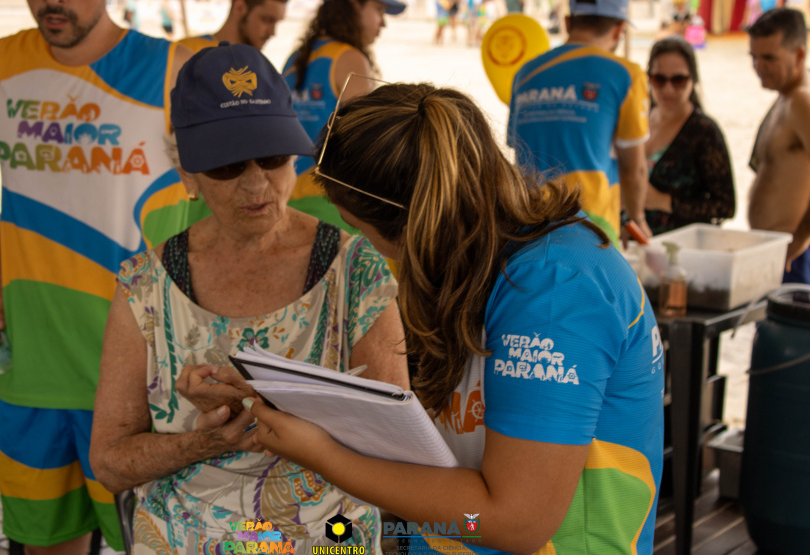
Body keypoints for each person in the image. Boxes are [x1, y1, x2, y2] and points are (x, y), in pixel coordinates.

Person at [242, 82, 664, 555]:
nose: (367, 246)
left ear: (414, 225)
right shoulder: (472, 257)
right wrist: (287, 396)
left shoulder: (554, 289)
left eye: (358, 228)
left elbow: (516, 522)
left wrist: (325, 456)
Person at [90, 43, 409, 554]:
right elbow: (109, 463)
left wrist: (268, 408)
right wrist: (203, 441)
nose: (257, 183)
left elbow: (395, 445)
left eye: (275, 157)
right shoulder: (145, 286)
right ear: (187, 175)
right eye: (227, 166)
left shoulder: (355, 272)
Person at [0, 0, 197, 551]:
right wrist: (2, 276)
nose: (50, 3)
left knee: (150, 543)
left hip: (137, 378)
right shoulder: (0, 62)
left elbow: (220, 197)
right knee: (46, 544)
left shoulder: (171, 69)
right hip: (33, 371)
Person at [507, 0, 652, 247]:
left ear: (567, 23)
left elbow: (517, 151)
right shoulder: (626, 74)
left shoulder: (525, 74)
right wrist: (636, 218)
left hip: (527, 227)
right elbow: (634, 169)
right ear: (618, 30)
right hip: (592, 229)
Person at [281, 0, 406, 232]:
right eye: (379, 10)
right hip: (333, 202)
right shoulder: (349, 58)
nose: (384, 23)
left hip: (287, 197)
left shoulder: (295, 59)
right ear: (355, 5)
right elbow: (363, 143)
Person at [644, 37, 735, 235]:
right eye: (659, 79)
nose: (668, 89)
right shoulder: (638, 120)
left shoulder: (704, 132)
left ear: (693, 80)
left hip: (682, 251)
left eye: (678, 80)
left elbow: (726, 206)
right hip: (636, 246)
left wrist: (662, 201)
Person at [747, 8, 810, 283]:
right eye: (754, 57)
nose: (759, 66)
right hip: (774, 250)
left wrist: (798, 241)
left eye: (769, 58)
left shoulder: (801, 101)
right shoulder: (785, 97)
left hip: (793, 258)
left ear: (798, 55)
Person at [179, 0, 288, 53]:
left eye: (277, 22)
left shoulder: (258, 64)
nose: (272, 32)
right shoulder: (187, 51)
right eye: (267, 20)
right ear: (240, 8)